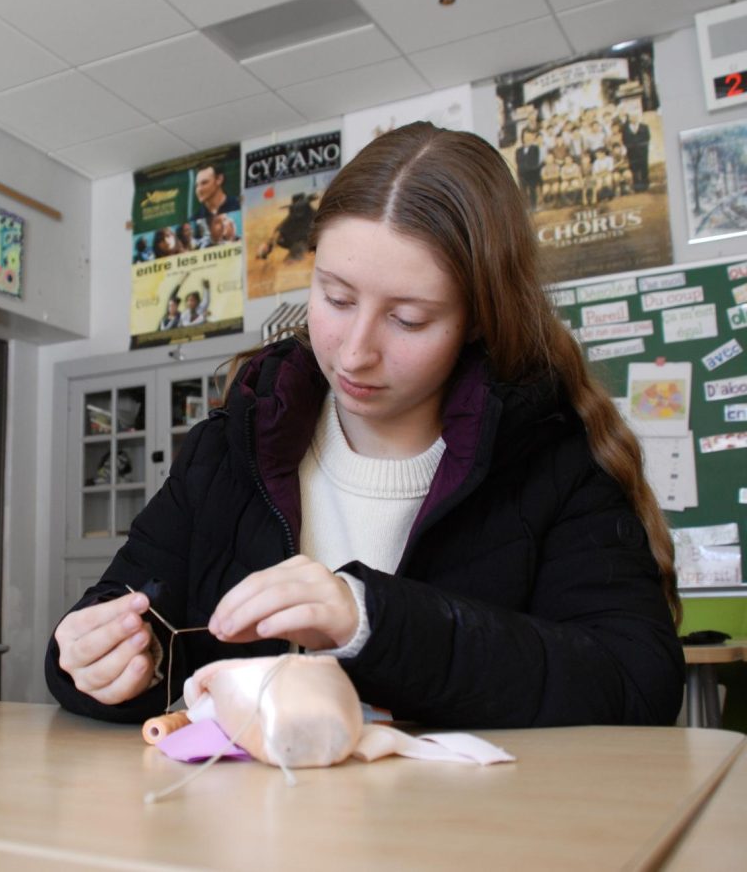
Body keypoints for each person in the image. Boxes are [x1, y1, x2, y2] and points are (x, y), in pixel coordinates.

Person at [45, 122, 682, 729]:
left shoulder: (553, 457)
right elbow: (124, 623)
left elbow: (637, 683)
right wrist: (96, 664)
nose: (354, 354)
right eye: (336, 297)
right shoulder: (233, 443)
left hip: (465, 837)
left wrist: (372, 623)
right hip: (240, 831)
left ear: (479, 319)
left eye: (408, 319)